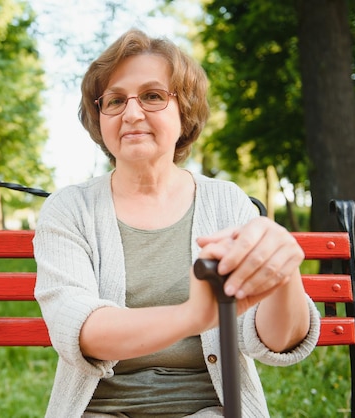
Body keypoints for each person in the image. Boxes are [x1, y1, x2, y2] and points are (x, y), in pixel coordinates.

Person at [33, 28, 320, 418]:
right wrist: (192, 315)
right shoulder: (69, 208)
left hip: (211, 409)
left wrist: (283, 274)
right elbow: (80, 328)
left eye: (152, 96)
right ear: (100, 119)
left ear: (184, 111)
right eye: (115, 100)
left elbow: (274, 340)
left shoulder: (226, 202)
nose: (132, 113)